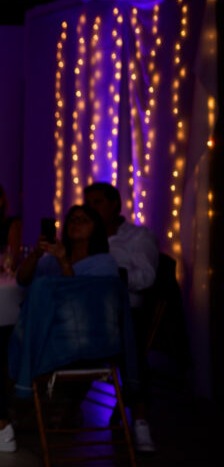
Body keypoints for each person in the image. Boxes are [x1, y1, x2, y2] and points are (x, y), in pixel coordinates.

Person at [0, 204, 120, 453]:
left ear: (96, 229)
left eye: (83, 220)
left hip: (77, 339)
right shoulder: (50, 260)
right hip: (45, 332)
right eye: (72, 219)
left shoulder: (104, 263)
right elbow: (22, 279)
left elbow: (77, 301)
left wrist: (62, 260)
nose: (75, 223)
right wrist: (37, 255)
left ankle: (0, 423)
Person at [84, 182, 158, 452]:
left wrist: (111, 275)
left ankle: (140, 420)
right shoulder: (85, 237)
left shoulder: (138, 237)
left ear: (115, 204)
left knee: (131, 335)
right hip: (86, 312)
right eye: (88, 203)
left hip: (125, 311)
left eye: (97, 202)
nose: (91, 208)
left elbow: (147, 278)